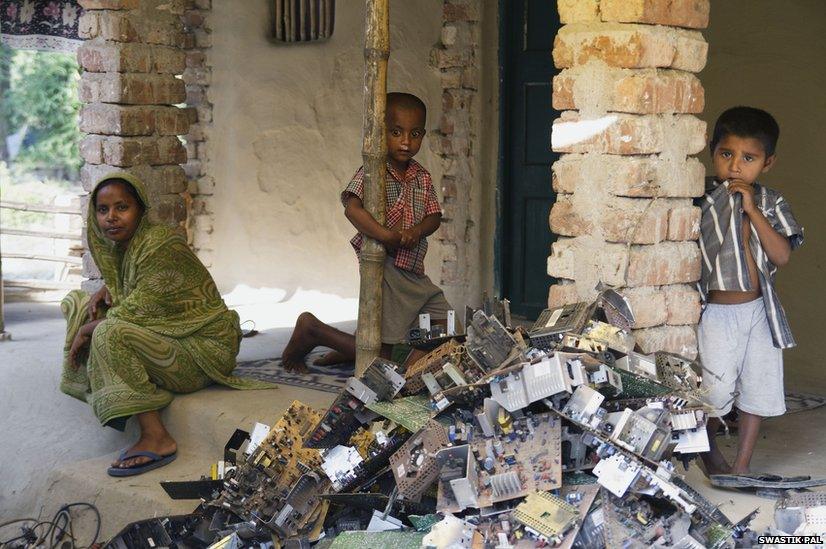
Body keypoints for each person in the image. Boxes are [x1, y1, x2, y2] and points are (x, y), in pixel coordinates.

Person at [61, 173, 269, 477]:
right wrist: (109, 291)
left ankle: (156, 436)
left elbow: (141, 306)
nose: (111, 218)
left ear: (141, 209)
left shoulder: (161, 245)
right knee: (77, 303)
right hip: (174, 340)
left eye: (122, 207)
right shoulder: (126, 248)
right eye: (103, 210)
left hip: (203, 349)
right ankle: (118, 387)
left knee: (107, 332)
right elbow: (139, 294)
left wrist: (86, 331)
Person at [282, 92, 453, 372]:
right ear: (381, 132)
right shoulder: (374, 171)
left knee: (445, 326)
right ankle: (312, 330)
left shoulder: (421, 175)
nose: (406, 142)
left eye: (415, 134)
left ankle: (348, 350)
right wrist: (385, 236)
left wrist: (416, 231)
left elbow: (434, 216)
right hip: (387, 269)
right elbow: (352, 207)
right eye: (396, 132)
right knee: (381, 358)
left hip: (413, 271)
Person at [697, 107, 804, 475]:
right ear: (712, 152)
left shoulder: (772, 203)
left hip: (759, 311)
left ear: (767, 162)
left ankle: (741, 467)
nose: (736, 167)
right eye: (726, 154)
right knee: (712, 390)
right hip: (715, 312)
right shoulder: (700, 198)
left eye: (749, 158)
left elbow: (782, 255)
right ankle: (708, 453)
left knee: (759, 386)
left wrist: (752, 211)